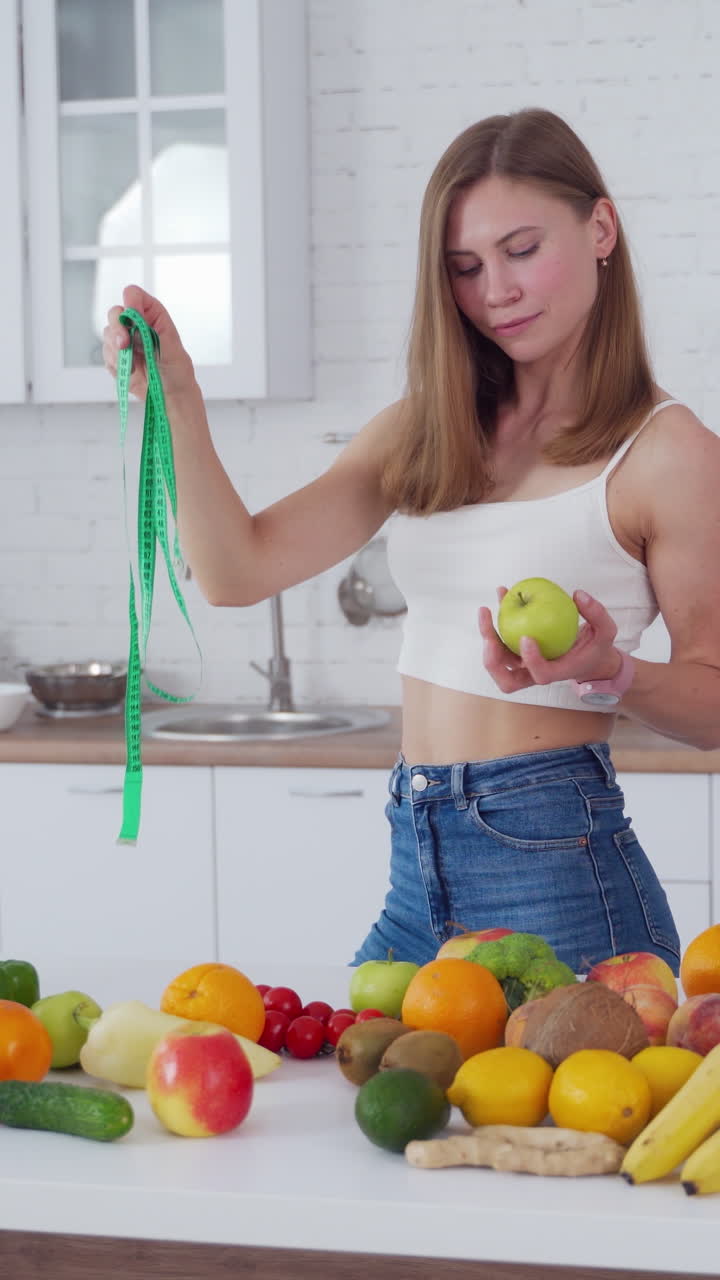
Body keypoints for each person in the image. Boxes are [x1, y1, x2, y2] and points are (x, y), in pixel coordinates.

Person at [103, 107, 720, 978]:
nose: (494, 291)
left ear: (601, 228)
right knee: (359, 1106)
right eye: (464, 267)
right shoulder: (424, 433)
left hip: (558, 874)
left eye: (521, 249)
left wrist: (607, 669)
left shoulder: (668, 452)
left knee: (564, 1118)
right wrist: (178, 397)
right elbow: (236, 571)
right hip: (415, 856)